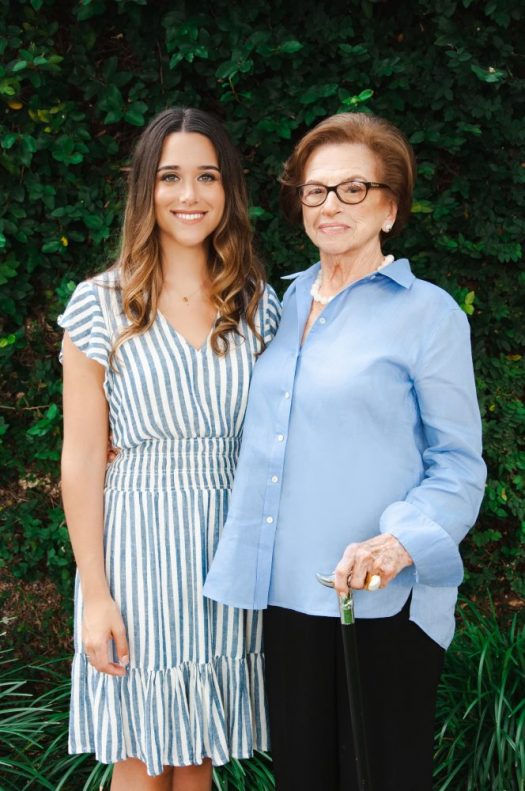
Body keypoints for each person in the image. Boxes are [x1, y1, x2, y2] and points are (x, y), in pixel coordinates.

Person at [203, 112, 487, 791]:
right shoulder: (276, 304)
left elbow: (458, 464)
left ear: (389, 205)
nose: (329, 205)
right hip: (288, 596)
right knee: (303, 778)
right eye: (314, 190)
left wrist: (396, 544)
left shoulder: (429, 312)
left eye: (352, 189)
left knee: (381, 776)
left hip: (382, 600)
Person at [58, 107, 280, 790]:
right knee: (141, 751)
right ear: (145, 190)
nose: (190, 195)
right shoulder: (101, 302)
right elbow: (81, 459)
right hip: (138, 550)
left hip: (227, 543)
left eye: (206, 177)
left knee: (196, 754)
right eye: (170, 177)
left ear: (228, 189)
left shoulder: (256, 303)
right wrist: (95, 593)